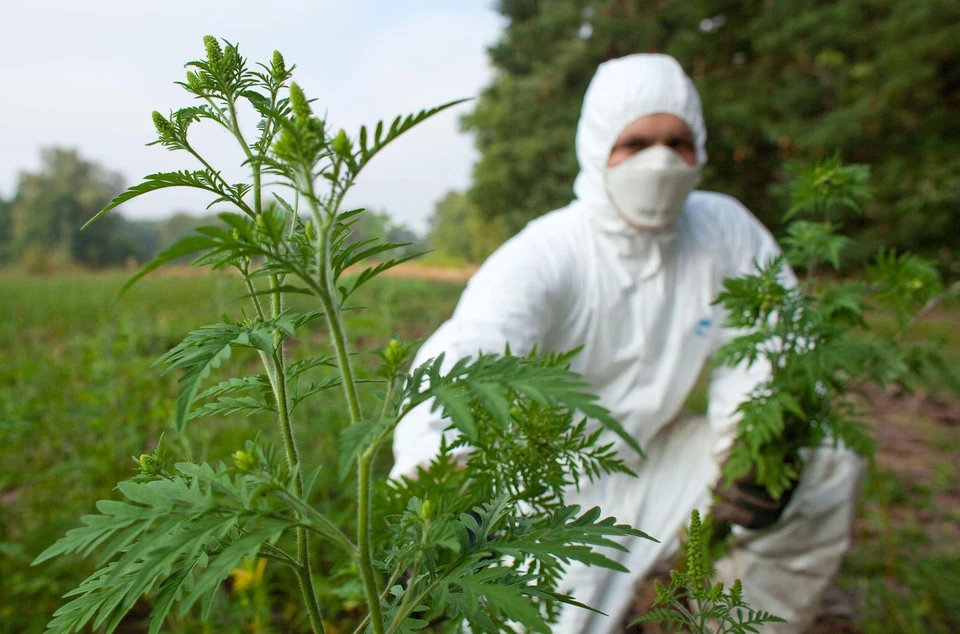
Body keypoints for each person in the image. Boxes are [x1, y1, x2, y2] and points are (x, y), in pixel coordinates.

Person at [390, 54, 862, 634]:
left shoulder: (723, 230)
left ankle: (732, 619)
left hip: (660, 459)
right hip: (541, 488)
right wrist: (438, 494)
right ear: (597, 148)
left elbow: (770, 346)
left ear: (700, 149)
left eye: (678, 143)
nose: (660, 162)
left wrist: (753, 449)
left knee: (821, 455)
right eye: (635, 144)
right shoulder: (549, 253)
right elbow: (465, 363)